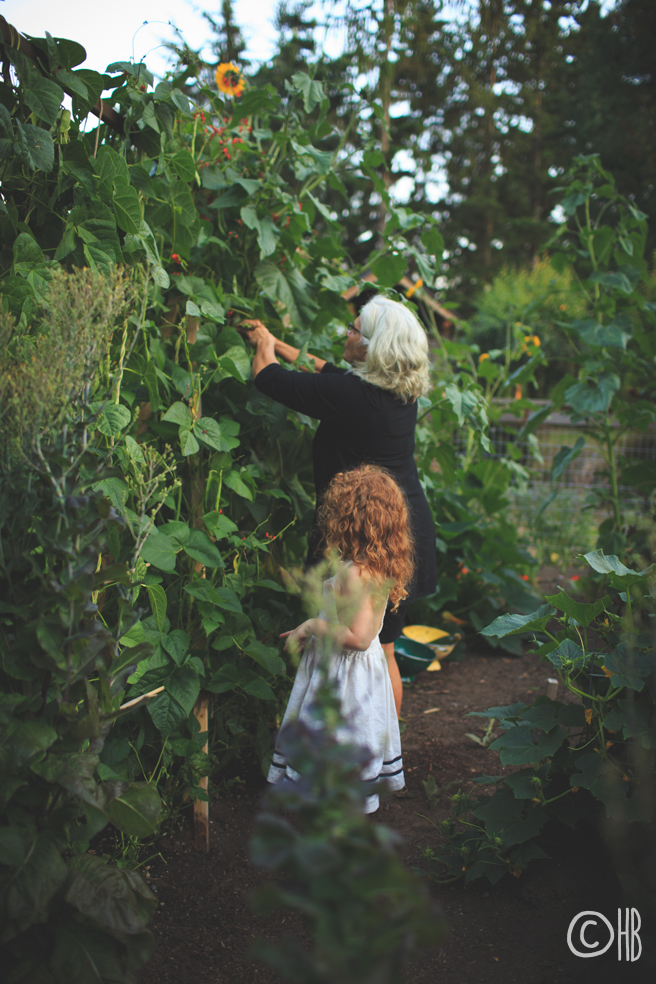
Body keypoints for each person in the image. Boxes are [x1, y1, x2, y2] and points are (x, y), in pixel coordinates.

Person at [244, 292, 437, 715]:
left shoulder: (349, 395)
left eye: (354, 329)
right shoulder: (400, 391)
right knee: (383, 652)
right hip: (403, 530)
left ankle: (339, 752)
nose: (345, 333)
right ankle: (385, 755)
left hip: (358, 537)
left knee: (338, 650)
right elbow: (325, 371)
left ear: (371, 347)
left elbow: (267, 377)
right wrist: (279, 341)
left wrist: (260, 341)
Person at [268, 465, 412, 813]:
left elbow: (358, 638)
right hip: (364, 675)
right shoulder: (376, 567)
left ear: (348, 519)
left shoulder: (354, 574)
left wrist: (311, 628)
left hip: (344, 680)